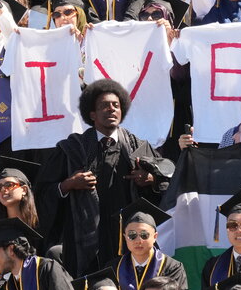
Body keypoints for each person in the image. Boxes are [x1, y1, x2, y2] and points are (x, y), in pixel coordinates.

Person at [37, 79, 173, 275]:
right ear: (92, 114)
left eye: (116, 105)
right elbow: (42, 192)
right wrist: (69, 184)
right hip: (84, 241)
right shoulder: (72, 149)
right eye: (104, 105)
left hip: (128, 237)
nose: (111, 109)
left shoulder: (137, 147)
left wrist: (150, 180)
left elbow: (167, 182)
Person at [105, 198, 187, 290]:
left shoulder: (172, 268)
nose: (138, 240)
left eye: (144, 235)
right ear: (124, 237)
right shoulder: (113, 268)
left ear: (155, 236)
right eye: (132, 235)